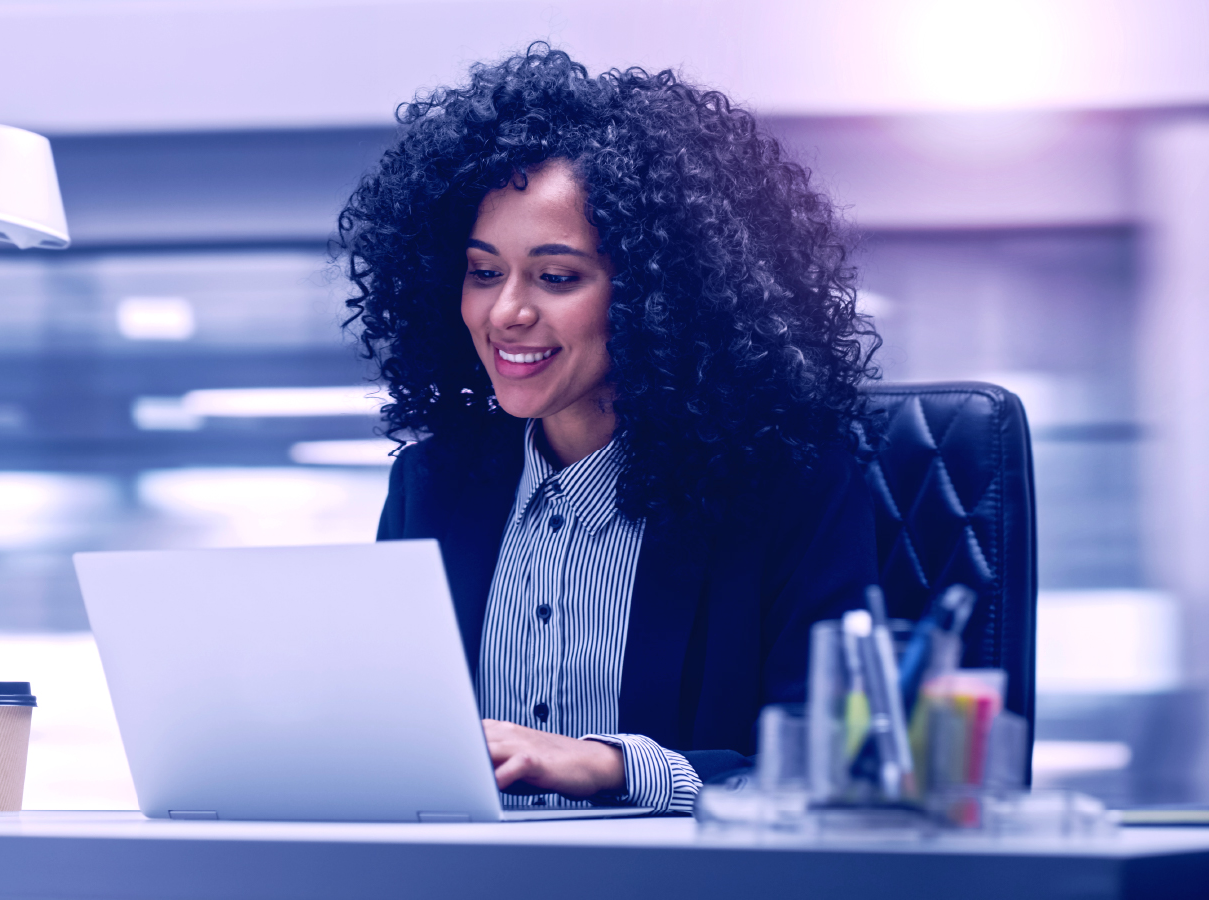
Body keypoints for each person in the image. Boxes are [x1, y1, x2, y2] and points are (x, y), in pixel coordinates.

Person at [337, 45, 881, 815]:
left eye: (556, 277)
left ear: (663, 296)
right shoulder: (432, 488)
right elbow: (389, 739)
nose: (506, 313)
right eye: (484, 272)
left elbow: (842, 769)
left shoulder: (789, 490)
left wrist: (613, 766)